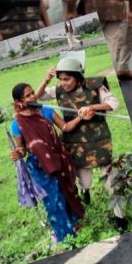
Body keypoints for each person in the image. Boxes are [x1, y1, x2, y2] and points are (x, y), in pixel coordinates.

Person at [35, 57, 127, 230]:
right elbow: (36, 97)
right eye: (60, 79)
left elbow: (114, 103)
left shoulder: (95, 85)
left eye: (67, 79)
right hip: (75, 143)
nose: (63, 83)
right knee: (84, 180)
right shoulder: (59, 89)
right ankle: (85, 191)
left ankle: (120, 218)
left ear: (77, 77)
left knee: (111, 182)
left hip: (99, 141)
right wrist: (46, 80)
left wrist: (93, 107)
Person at [9, 81, 85, 243]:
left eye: (32, 92)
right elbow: (22, 149)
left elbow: (65, 127)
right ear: (19, 102)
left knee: (67, 190)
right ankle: (64, 235)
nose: (33, 96)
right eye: (27, 95)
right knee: (53, 199)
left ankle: (74, 223)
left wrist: (80, 117)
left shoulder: (46, 110)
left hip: (59, 158)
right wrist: (17, 154)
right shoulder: (17, 123)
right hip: (39, 166)